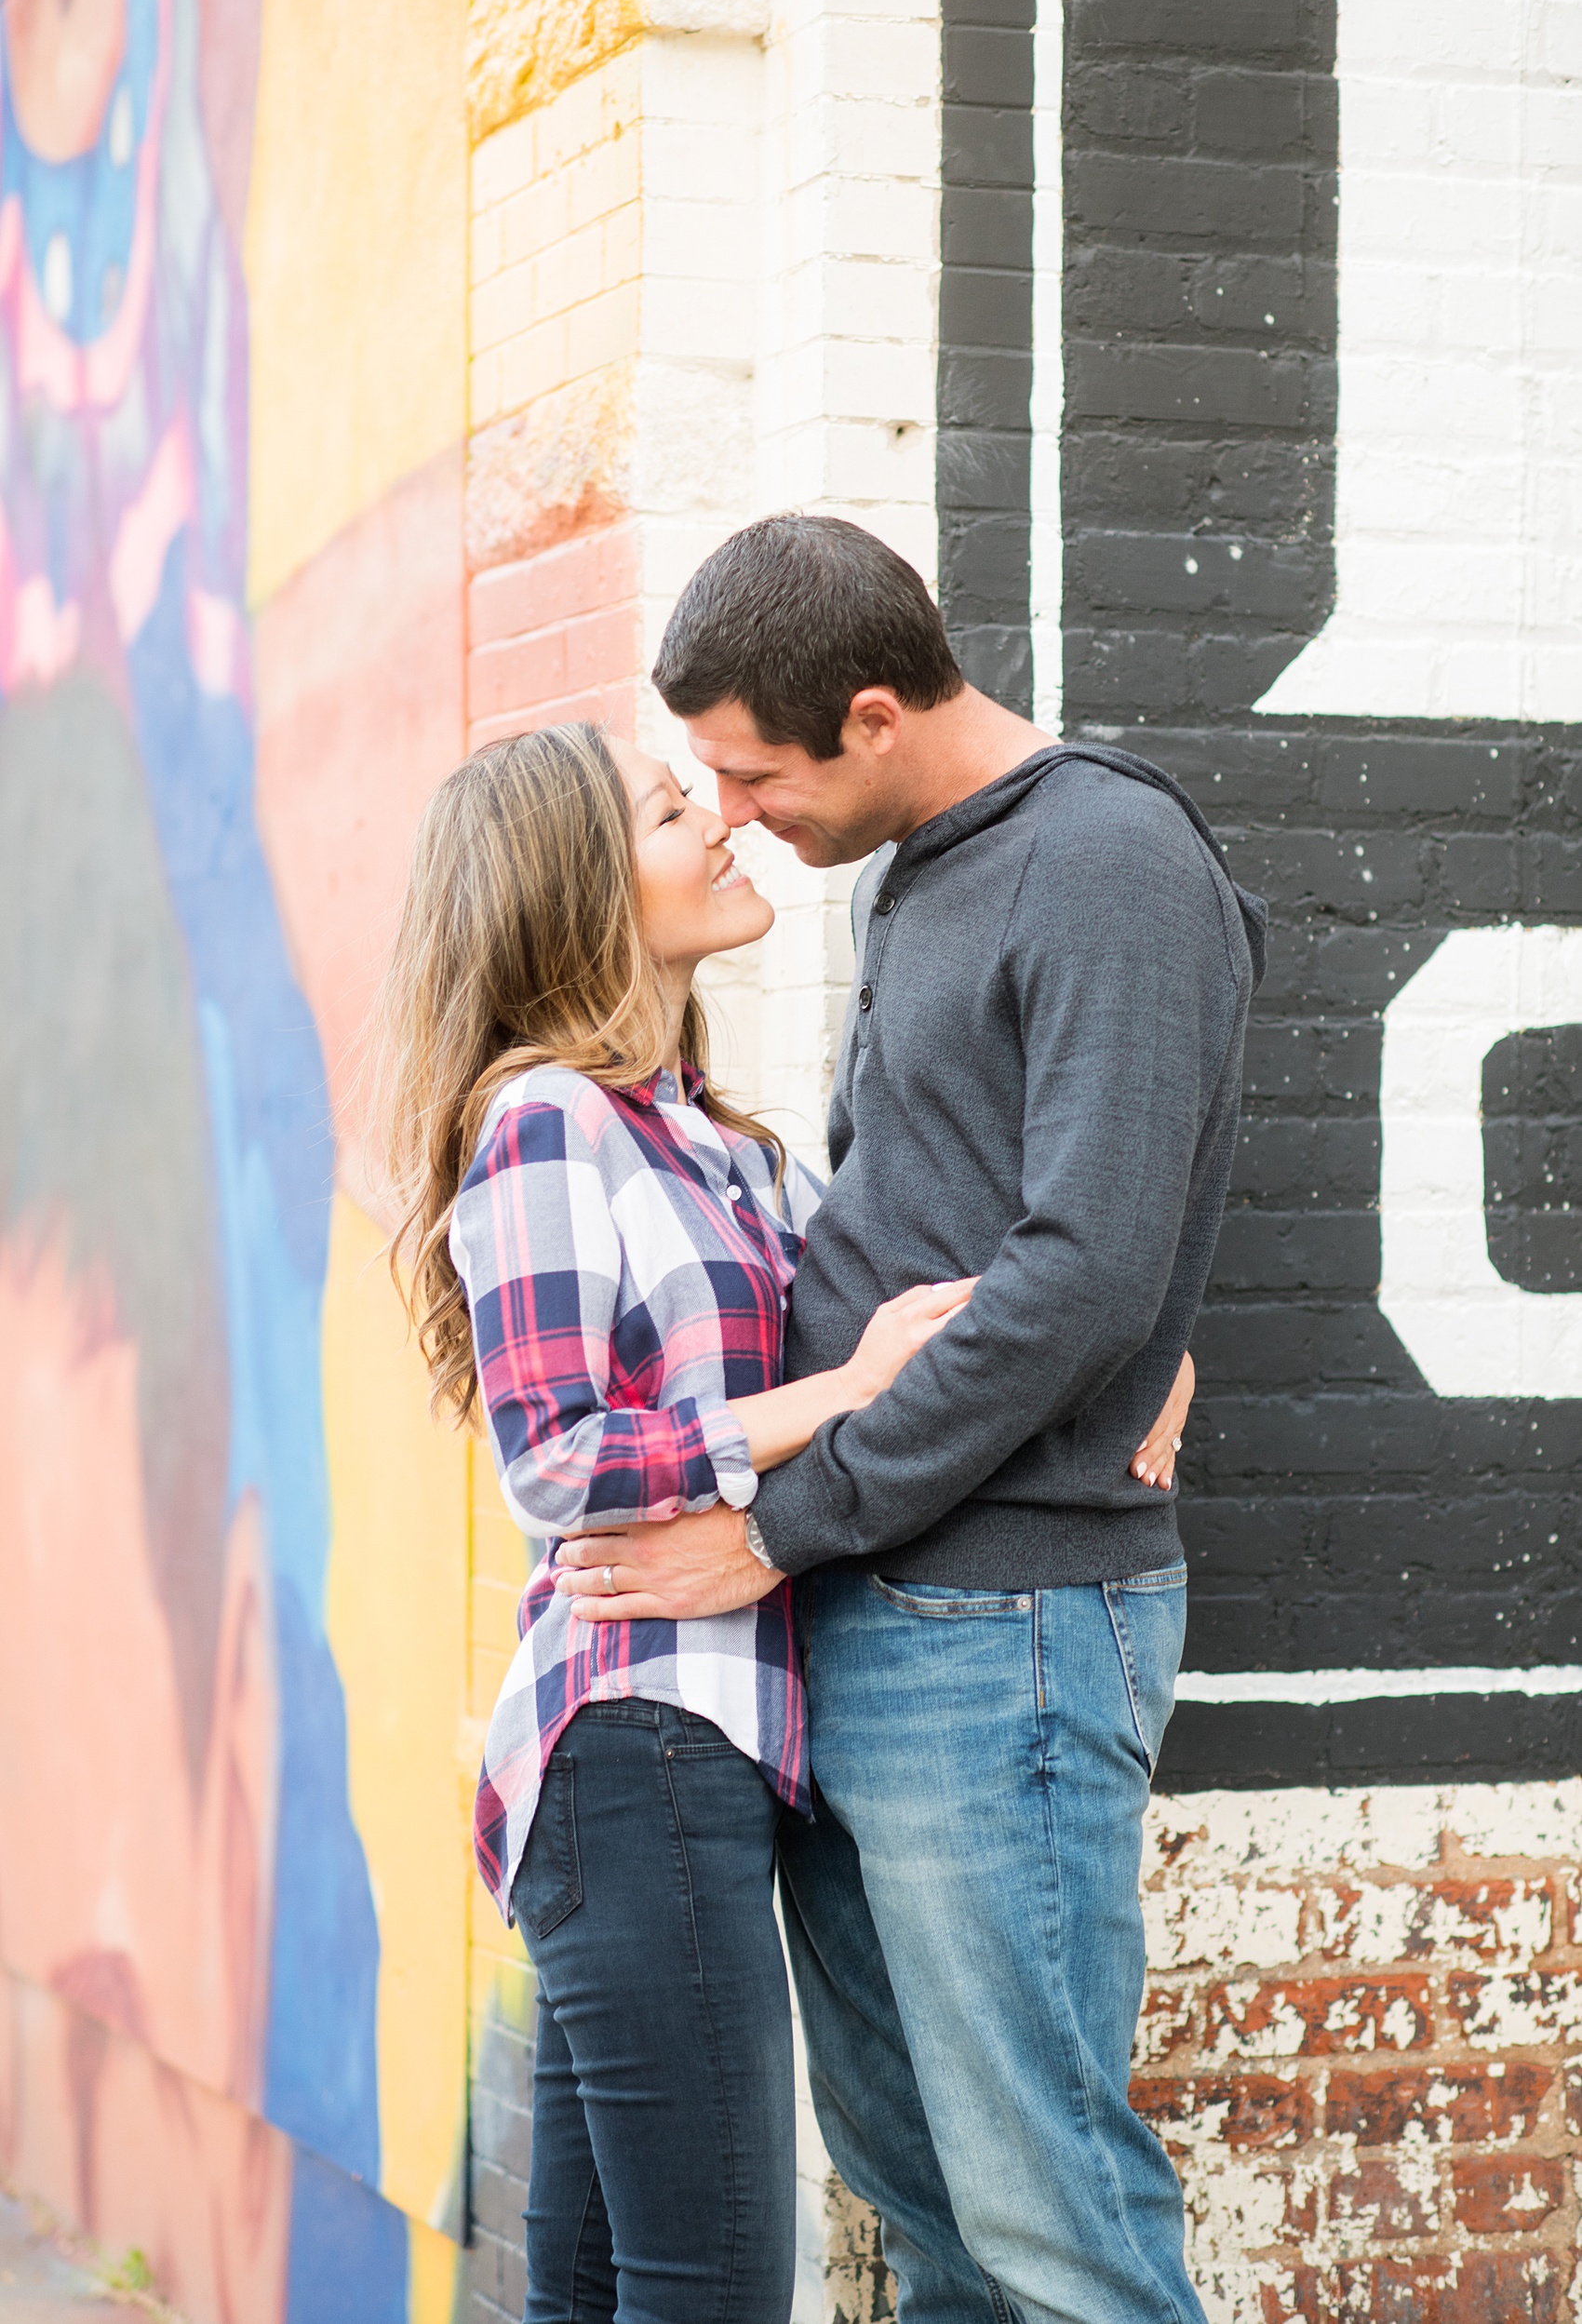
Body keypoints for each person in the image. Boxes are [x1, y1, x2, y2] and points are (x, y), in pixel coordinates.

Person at [376, 719, 1196, 2324]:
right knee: (715, 2280)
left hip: (725, 1744)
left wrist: (1142, 1343)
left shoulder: (729, 1149)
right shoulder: (547, 1121)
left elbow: (965, 1303)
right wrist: (828, 1403)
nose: (725, 827)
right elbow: (556, 1464)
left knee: (605, 2274)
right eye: (677, 809)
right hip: (633, 1738)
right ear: (576, 890)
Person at [554, 515, 1266, 2324]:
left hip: (1005, 1624)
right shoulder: (916, 871)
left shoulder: (1104, 858)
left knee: (1050, 2214)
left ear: (871, 715)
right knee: (923, 2200)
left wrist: (780, 1515)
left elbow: (1089, 1258)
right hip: (867, 1609)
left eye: (753, 773)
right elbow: (970, 1230)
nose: (736, 815)